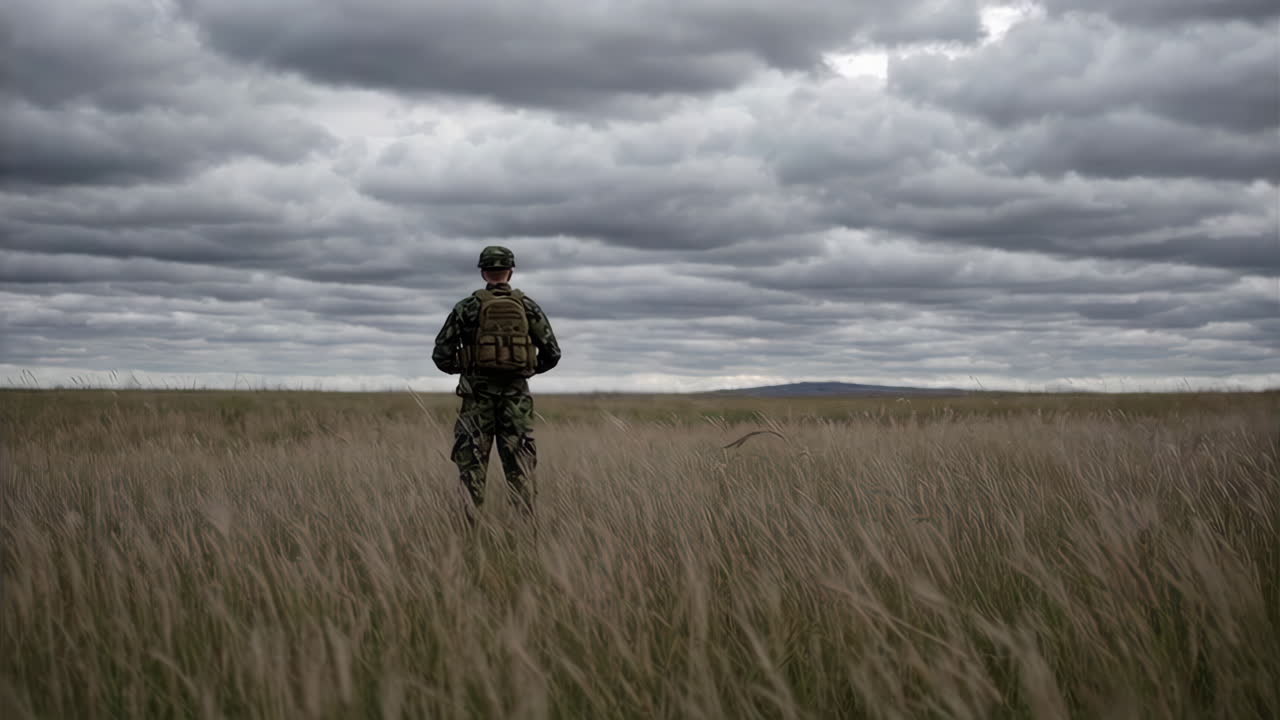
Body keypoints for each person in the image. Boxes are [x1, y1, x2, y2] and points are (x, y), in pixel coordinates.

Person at [432, 246, 561, 523]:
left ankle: (468, 536)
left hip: (476, 401)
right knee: (521, 471)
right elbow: (552, 353)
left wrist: (468, 366)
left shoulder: (466, 308)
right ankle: (525, 534)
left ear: (483, 272)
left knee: (472, 471)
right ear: (510, 272)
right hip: (516, 403)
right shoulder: (528, 307)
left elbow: (441, 355)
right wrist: (524, 370)